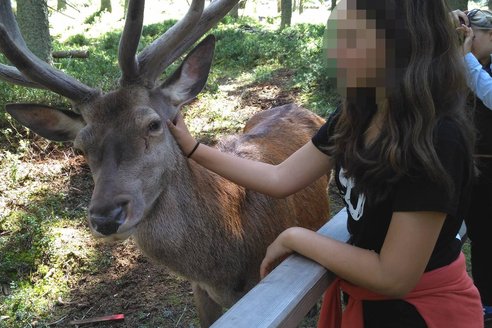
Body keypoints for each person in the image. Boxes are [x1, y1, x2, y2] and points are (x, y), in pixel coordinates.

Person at [167, 0, 483, 326]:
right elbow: (280, 177)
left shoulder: (437, 138)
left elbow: (393, 276)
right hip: (370, 307)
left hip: (426, 313)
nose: (334, 54)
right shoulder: (356, 114)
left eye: (351, 39)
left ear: (399, 43)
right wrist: (193, 149)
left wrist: (298, 236)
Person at [453, 8, 492, 326]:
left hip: (489, 172)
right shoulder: (459, 65)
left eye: (470, 36)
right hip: (463, 167)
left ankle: (486, 301)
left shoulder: (472, 65)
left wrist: (465, 57)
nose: (464, 42)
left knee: (485, 237)